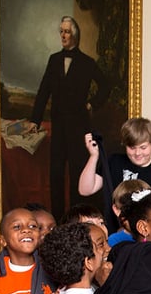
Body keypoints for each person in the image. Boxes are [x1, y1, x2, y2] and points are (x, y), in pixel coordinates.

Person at [24, 16, 111, 221]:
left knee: (77, 174)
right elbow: (44, 90)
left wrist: (91, 104)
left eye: (67, 32)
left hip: (80, 126)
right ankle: (56, 218)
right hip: (58, 125)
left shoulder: (87, 62)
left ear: (75, 35)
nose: (63, 35)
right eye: (61, 31)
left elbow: (105, 86)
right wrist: (35, 120)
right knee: (56, 173)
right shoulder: (54, 59)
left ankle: (76, 218)